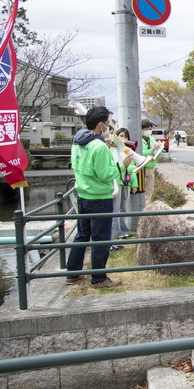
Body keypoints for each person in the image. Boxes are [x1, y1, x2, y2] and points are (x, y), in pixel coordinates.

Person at [66, 107, 129, 289]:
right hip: (100, 197)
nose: (109, 127)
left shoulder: (78, 142)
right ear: (100, 124)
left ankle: (73, 273)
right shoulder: (99, 146)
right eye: (108, 123)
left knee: (82, 236)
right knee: (101, 239)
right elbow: (105, 175)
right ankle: (99, 278)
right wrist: (122, 165)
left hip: (83, 195)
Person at [110, 127, 137, 242]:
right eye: (120, 136)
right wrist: (125, 165)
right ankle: (116, 232)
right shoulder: (111, 150)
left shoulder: (125, 150)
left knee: (123, 208)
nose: (123, 139)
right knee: (116, 210)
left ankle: (124, 231)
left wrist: (134, 183)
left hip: (125, 182)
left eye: (125, 137)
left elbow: (131, 170)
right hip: (117, 183)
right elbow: (115, 168)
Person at [140, 119, 159, 200]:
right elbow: (141, 153)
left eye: (150, 129)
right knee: (142, 190)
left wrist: (159, 150)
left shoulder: (151, 139)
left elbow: (156, 153)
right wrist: (151, 150)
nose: (148, 131)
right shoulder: (139, 139)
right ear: (141, 129)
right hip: (142, 168)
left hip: (151, 166)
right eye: (146, 129)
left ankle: (148, 207)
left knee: (150, 190)